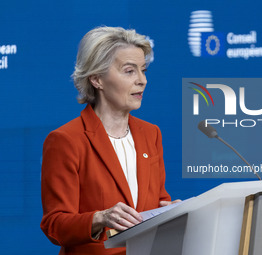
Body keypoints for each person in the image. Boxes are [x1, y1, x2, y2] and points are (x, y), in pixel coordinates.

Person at [40, 26, 175, 255]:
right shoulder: (66, 140)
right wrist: (99, 218)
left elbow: (159, 200)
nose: (142, 81)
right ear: (97, 79)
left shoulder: (151, 133)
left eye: (143, 70)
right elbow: (55, 225)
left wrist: (171, 211)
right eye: (129, 71)